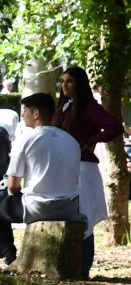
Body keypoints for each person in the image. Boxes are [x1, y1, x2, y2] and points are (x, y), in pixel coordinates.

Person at [55, 65, 121, 277]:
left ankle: (83, 269)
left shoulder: (89, 107)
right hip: (66, 167)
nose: (65, 85)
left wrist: (92, 140)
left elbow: (114, 126)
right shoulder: (64, 106)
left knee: (85, 218)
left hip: (84, 168)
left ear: (79, 84)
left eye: (70, 81)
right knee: (70, 214)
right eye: (63, 81)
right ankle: (71, 266)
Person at [0, 93, 82, 265]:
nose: (22, 115)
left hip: (38, 207)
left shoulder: (26, 140)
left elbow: (13, 185)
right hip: (70, 207)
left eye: (25, 111)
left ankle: (10, 256)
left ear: (36, 113)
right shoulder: (71, 140)